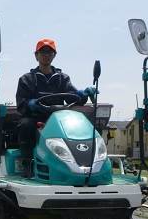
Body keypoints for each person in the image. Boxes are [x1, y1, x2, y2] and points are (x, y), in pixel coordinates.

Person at [15, 38, 96, 177]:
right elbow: (21, 104)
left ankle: (85, 165)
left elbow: (73, 97)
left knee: (81, 125)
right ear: (36, 55)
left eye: (49, 52)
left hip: (60, 119)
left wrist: (84, 94)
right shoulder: (26, 79)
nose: (46, 55)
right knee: (25, 124)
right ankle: (27, 163)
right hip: (36, 117)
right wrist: (30, 104)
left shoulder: (62, 78)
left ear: (54, 55)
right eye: (43, 52)